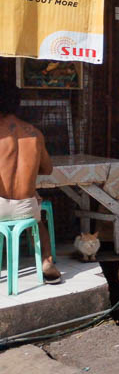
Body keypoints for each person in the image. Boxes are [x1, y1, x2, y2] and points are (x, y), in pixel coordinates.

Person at [0, 84, 61, 283]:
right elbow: (48, 169)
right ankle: (46, 260)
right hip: (25, 209)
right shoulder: (34, 133)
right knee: (39, 221)